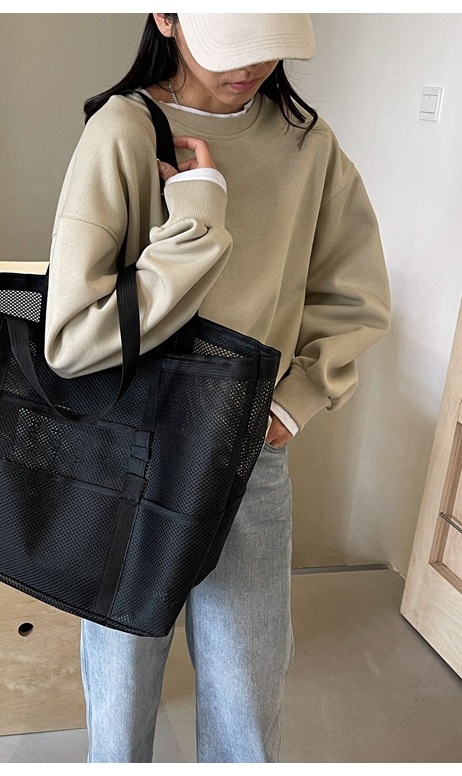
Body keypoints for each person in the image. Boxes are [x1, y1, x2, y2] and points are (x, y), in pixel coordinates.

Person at [44, 13, 391, 763]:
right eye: (235, 40)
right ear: (166, 16)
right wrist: (197, 222)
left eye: (270, 42)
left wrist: (294, 404)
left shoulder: (307, 143)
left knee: (247, 693)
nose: (252, 65)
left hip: (247, 451)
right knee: (122, 693)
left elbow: (355, 296)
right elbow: (72, 339)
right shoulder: (124, 131)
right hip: (132, 453)